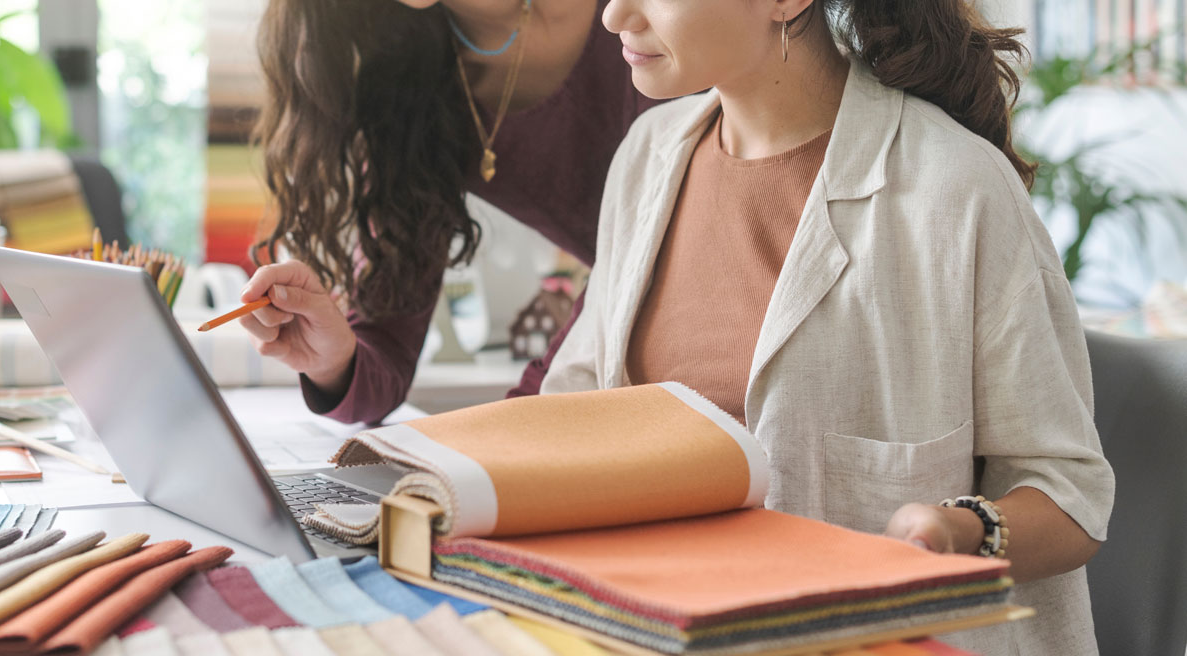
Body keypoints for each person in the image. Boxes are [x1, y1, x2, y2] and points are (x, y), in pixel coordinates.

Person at [538, 0, 1113, 654]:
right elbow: (575, 409)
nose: (613, 15)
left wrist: (958, 531)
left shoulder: (957, 191)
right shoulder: (645, 157)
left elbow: (1072, 501)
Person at [239, 0, 663, 424]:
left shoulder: (649, 16)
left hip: (693, 337)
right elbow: (383, 355)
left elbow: (654, 246)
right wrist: (332, 360)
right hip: (629, 345)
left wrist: (514, 426)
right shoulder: (409, 76)